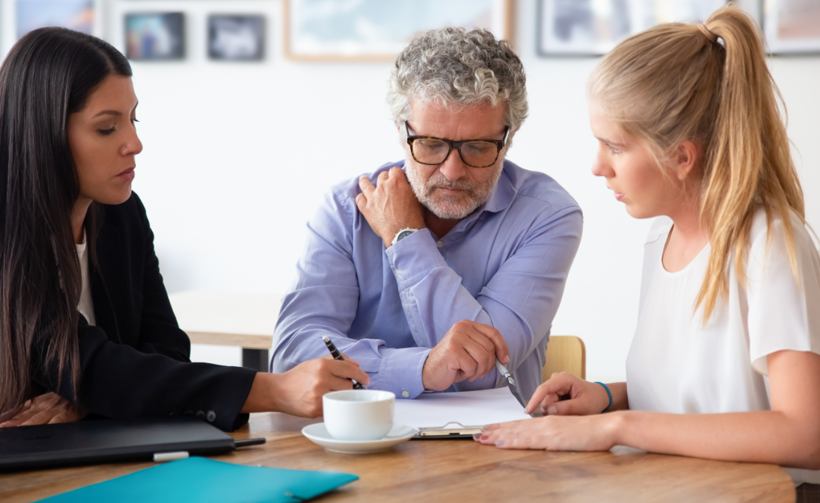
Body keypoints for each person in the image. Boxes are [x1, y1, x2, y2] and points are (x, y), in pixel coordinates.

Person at [474, 5, 820, 494]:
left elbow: (806, 434)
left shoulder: (768, 244)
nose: (598, 166)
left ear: (680, 156)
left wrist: (618, 427)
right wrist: (608, 399)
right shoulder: (662, 238)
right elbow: (702, 398)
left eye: (613, 146)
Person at [0, 28, 369, 431]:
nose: (135, 143)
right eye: (107, 128)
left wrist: (93, 399)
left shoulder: (121, 216)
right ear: (44, 133)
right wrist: (274, 390)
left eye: (133, 119)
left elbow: (167, 351)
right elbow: (85, 362)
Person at [272, 28, 583, 401]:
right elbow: (292, 360)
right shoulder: (345, 210)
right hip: (361, 441)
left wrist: (405, 236)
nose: (452, 171)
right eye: (431, 144)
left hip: (496, 447)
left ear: (510, 136)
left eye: (478, 147)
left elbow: (484, 372)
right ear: (402, 132)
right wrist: (422, 368)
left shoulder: (546, 216)